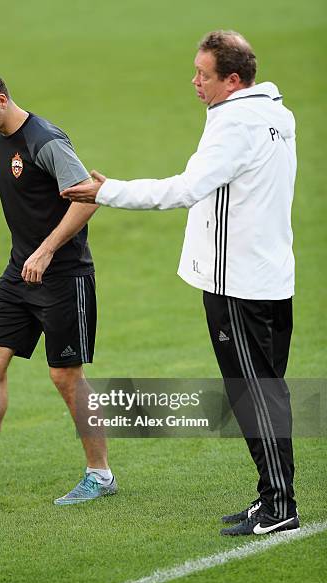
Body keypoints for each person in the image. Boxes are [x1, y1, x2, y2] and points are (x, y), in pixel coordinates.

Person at [61, 30, 299, 535]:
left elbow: (185, 189)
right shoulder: (277, 114)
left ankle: (280, 506)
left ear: (232, 80)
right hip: (273, 278)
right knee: (264, 391)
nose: (194, 82)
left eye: (203, 74)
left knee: (255, 395)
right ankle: (270, 497)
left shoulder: (234, 123)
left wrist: (109, 191)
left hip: (237, 284)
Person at [0, 67, 117, 505]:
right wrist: (31, 254)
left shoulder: (45, 141)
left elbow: (88, 199)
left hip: (64, 275)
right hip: (20, 272)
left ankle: (100, 474)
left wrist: (47, 249)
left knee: (65, 376)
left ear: (0, 99)